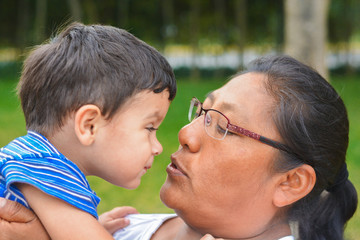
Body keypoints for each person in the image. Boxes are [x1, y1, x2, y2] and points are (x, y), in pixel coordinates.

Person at [0, 55, 358, 240]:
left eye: (223, 127)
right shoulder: (118, 226)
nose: (186, 134)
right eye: (202, 113)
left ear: (290, 182)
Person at [0, 22, 176, 239]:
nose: (157, 147)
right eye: (149, 128)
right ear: (89, 125)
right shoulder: (46, 168)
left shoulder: (31, 158)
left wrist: (90, 226)